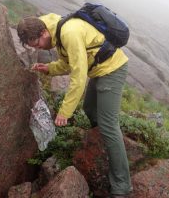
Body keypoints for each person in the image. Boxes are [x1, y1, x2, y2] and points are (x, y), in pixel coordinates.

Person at [17, 13, 132, 196]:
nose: (39, 48)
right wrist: (49, 68)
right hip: (98, 69)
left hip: (112, 69)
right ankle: (106, 143)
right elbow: (69, 62)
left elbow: (78, 78)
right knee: (89, 109)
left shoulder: (69, 33)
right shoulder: (54, 30)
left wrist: (65, 112)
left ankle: (122, 186)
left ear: (44, 32)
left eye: (38, 44)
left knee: (109, 124)